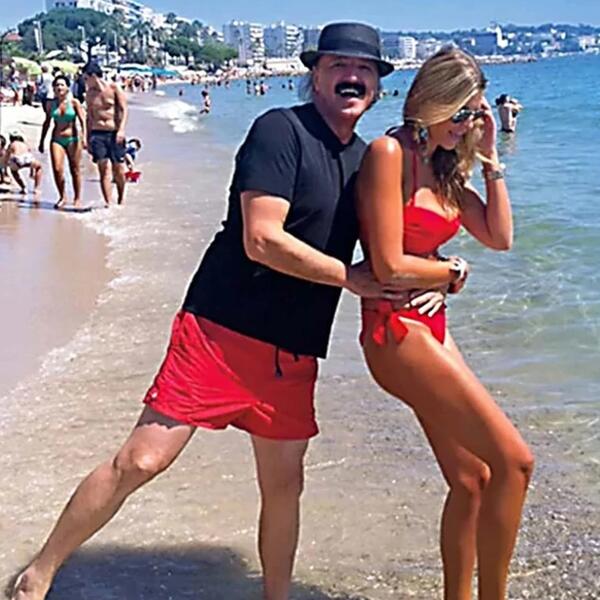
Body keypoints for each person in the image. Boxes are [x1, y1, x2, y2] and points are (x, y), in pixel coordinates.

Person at [9, 23, 458, 600]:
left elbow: (394, 247)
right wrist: (350, 278)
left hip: (292, 348)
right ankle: (39, 574)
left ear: (376, 86)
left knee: (284, 487)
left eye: (365, 70)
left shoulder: (365, 161)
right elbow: (261, 238)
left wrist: (442, 276)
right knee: (142, 460)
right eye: (339, 66)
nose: (353, 77)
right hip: (221, 329)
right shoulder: (280, 130)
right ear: (315, 75)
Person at [356, 48, 534, 600]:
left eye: (474, 114)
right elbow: (388, 265)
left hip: (429, 325)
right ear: (430, 101)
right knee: (515, 463)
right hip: (393, 329)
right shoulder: (390, 154)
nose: (465, 125)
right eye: (459, 113)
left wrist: (491, 160)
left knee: (472, 479)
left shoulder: (443, 166)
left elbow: (499, 237)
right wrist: (451, 271)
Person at [83, 61, 128, 206]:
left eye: (86, 78)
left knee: (118, 169)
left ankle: (121, 199)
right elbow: (89, 117)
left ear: (93, 76)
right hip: (97, 133)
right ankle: (108, 202)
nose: (85, 82)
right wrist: (87, 137)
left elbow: (123, 110)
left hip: (114, 132)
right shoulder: (89, 94)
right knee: (103, 168)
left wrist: (121, 129)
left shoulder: (114, 88)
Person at [38, 75, 87, 209]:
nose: (59, 87)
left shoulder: (74, 103)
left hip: (73, 139)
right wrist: (42, 141)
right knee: (57, 169)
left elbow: (83, 121)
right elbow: (47, 123)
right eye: (57, 85)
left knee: (75, 169)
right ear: (53, 88)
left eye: (62, 85)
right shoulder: (50, 104)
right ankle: (62, 196)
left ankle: (77, 198)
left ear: (67, 88)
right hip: (57, 139)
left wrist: (85, 138)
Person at [4, 130, 42, 198]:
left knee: (14, 171)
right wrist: (31, 172)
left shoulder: (12, 144)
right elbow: (31, 157)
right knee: (39, 167)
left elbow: (7, 156)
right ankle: (36, 188)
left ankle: (23, 187)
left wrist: (6, 168)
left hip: (17, 159)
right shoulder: (25, 144)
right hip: (27, 158)